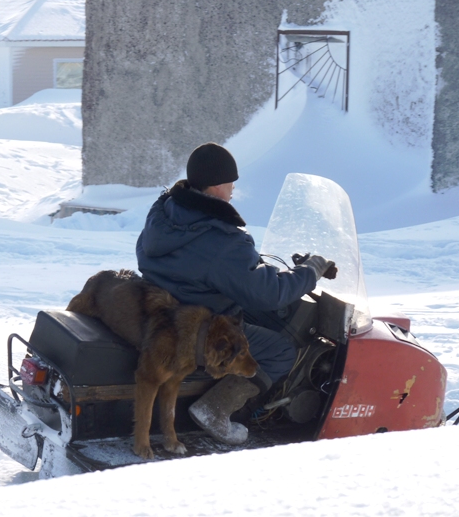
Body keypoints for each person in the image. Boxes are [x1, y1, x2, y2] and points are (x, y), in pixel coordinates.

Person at [135, 142, 335, 445]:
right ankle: (216, 410)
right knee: (279, 350)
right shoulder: (221, 238)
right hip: (197, 324)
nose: (233, 190)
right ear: (216, 185)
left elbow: (217, 268)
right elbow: (271, 293)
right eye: (231, 182)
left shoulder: (166, 211)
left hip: (167, 305)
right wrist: (311, 270)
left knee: (252, 314)